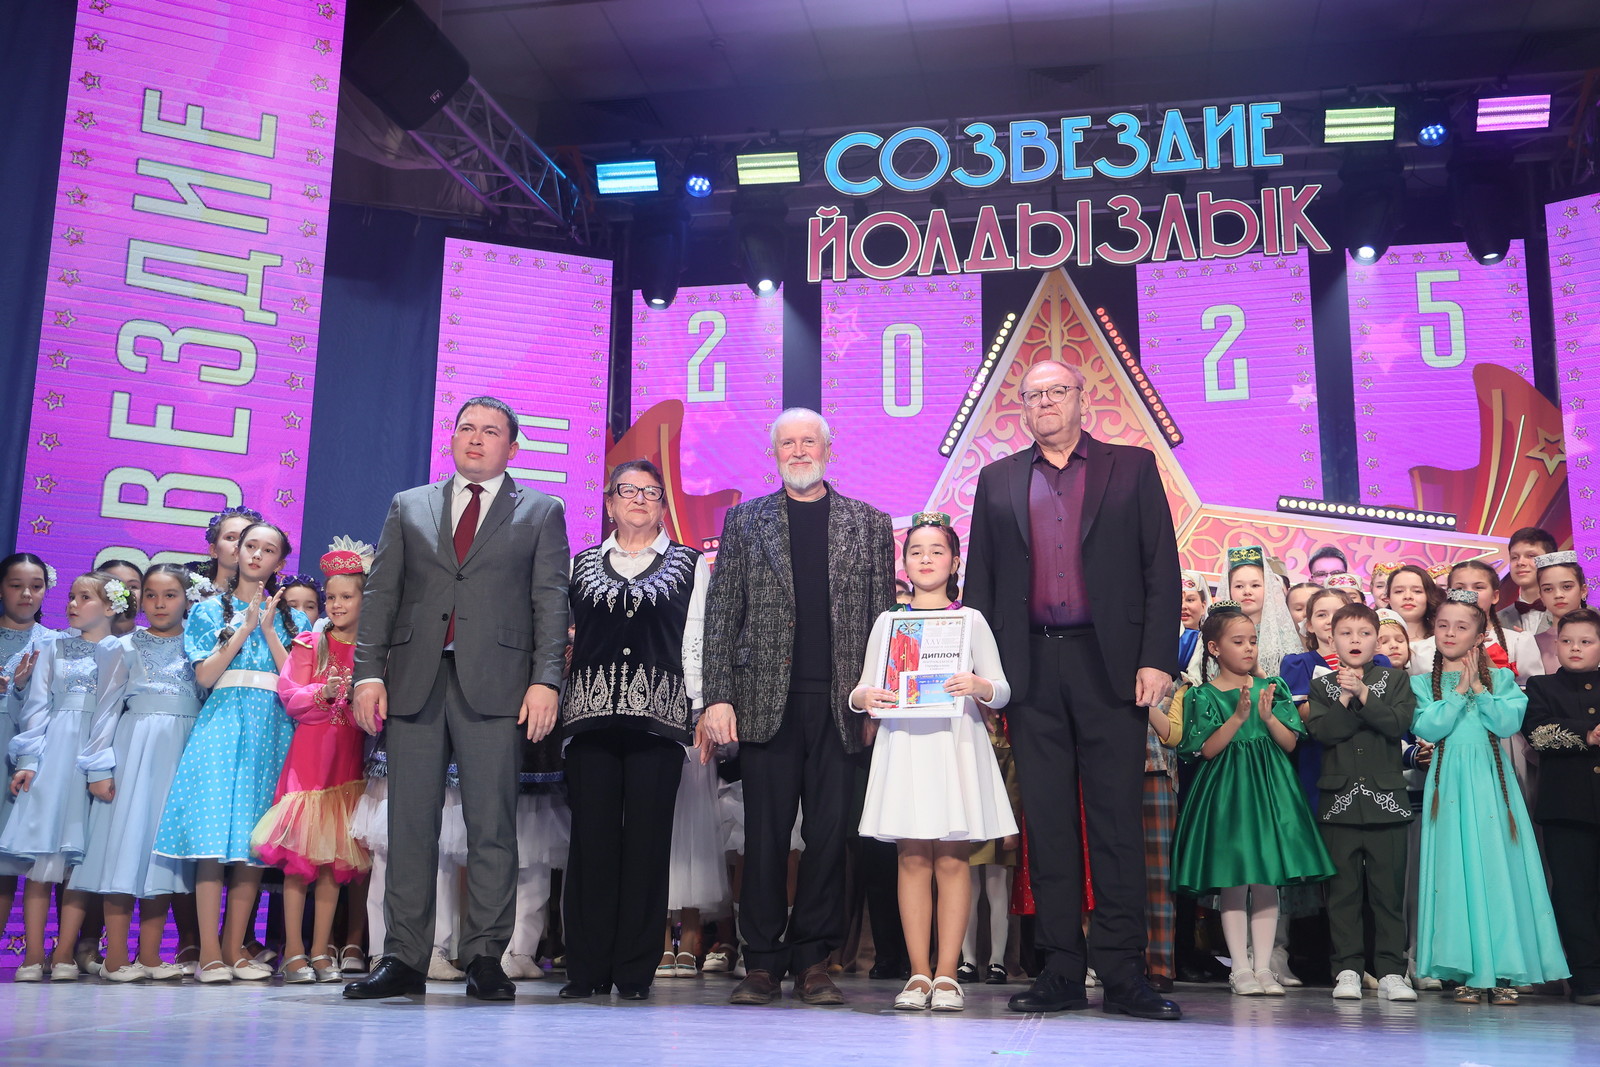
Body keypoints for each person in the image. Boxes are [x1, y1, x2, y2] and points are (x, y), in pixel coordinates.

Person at [962, 359, 1181, 1021]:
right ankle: (1058, 968)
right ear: (1022, 407)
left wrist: (1156, 658)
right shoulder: (999, 478)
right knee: (1048, 824)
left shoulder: (1131, 466)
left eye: (1058, 391)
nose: (1046, 403)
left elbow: (1161, 568)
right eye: (1034, 395)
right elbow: (981, 583)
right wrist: (987, 677)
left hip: (1111, 664)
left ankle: (1124, 973)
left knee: (1116, 822)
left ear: (1082, 398)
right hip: (1030, 667)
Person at [347, 396, 571, 1002]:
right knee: (409, 823)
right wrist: (367, 675)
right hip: (414, 679)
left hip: (498, 682)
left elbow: (550, 601)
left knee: (491, 825)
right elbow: (382, 594)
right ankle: (403, 956)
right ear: (451, 438)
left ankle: (484, 957)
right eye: (466, 427)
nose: (475, 438)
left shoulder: (541, 510)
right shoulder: (410, 504)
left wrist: (546, 681)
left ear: (512, 447)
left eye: (490, 431)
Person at [699, 407, 895, 1008]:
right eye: (788, 443)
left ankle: (813, 959)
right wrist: (718, 696)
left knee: (829, 839)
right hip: (764, 704)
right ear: (775, 453)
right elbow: (722, 613)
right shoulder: (745, 520)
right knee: (764, 837)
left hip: (844, 706)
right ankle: (761, 960)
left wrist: (878, 704)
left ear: (828, 451)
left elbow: (884, 621)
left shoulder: (869, 523)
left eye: (810, 441)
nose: (800, 451)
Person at [557, 459, 710, 1002]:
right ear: (609, 502)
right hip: (589, 721)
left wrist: (698, 709)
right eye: (628, 490)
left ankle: (634, 971)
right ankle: (586, 968)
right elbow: (563, 638)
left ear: (664, 505)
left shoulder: (690, 564)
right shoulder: (580, 565)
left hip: (659, 722)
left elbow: (695, 639)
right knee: (591, 843)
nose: (640, 499)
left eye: (651, 491)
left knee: (647, 844)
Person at [850, 514, 1016, 1013]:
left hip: (953, 743)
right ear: (904, 563)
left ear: (955, 562)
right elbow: (862, 688)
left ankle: (947, 974)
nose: (926, 559)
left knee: (951, 858)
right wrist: (865, 698)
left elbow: (1002, 688)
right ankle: (918, 973)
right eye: (916, 551)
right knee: (912, 857)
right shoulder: (888, 622)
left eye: (937, 551)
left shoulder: (971, 621)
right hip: (905, 743)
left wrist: (979, 685)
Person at [152, 522, 307, 982]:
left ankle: (235, 947)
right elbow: (205, 676)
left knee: (252, 842)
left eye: (268, 550)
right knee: (211, 836)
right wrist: (244, 628)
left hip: (272, 727)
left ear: (280, 562)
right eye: (249, 546)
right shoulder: (205, 611)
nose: (256, 555)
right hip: (222, 722)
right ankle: (208, 954)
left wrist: (270, 628)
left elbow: (295, 683)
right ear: (236, 552)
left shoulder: (294, 619)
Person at [1410, 589, 1568, 1004]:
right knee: (1454, 870)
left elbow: (1506, 723)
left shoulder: (1501, 679)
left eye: (1461, 627)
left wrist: (1479, 689)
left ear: (1480, 636)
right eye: (1443, 625)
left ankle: (1503, 969)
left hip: (1492, 785)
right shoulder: (1422, 683)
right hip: (1449, 785)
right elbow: (1427, 728)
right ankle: (1466, 970)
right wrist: (1459, 691)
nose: (1450, 633)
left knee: (1498, 868)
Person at [1170, 603, 1335, 997]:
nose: (1248, 648)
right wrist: (1238, 718)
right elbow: (1206, 750)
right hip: (1227, 792)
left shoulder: (1271, 688)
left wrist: (1268, 716)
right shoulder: (1203, 695)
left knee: (1266, 881)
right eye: (1238, 641)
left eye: (1252, 641)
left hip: (1269, 789)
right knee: (1234, 880)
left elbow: (1290, 743)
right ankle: (1240, 968)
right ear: (1214, 648)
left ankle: (1264, 967)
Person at [68, 564, 202, 981]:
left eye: (170, 595)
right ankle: (115, 958)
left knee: (160, 854)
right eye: (150, 595)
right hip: (135, 751)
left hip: (181, 753)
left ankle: (150, 956)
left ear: (187, 599)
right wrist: (98, 768)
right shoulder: (122, 646)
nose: (159, 604)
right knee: (124, 850)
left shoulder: (200, 644)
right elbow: (106, 710)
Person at [252, 539, 375, 983]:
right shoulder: (311, 642)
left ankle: (322, 951)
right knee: (301, 860)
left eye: (347, 597)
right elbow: (290, 695)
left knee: (334, 864)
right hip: (309, 765)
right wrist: (321, 692)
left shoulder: (371, 652)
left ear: (365, 599)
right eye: (331, 597)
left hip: (347, 764)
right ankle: (294, 951)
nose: (336, 605)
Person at [0, 571, 127, 981]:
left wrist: (100, 766)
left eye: (85, 597)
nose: (72, 604)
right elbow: (37, 707)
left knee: (78, 859)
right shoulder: (52, 646)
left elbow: (110, 712)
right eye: (71, 596)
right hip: (55, 754)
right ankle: (33, 954)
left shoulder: (122, 650)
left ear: (110, 606)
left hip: (94, 755)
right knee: (42, 858)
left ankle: (65, 952)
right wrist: (28, 761)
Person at [1302, 602, 1418, 1002]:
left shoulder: (1395, 680)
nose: (1355, 640)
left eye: (1364, 633)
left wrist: (1364, 694)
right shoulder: (1322, 686)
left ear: (1376, 640)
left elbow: (1396, 724)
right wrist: (1345, 698)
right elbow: (1325, 733)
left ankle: (1391, 972)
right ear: (1332, 639)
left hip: (1387, 801)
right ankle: (1347, 970)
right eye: (1346, 633)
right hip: (1338, 803)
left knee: (1388, 892)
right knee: (1342, 894)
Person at [1522, 607, 1600, 1005]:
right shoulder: (1541, 687)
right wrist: (1588, 734)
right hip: (1566, 809)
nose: (1575, 648)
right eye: (1567, 641)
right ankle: (1587, 980)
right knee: (1572, 895)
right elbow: (1536, 733)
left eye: (1586, 641)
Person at [0, 552, 58, 932]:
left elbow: (49, 707)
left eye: (35, 587)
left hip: (18, 751)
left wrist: (20, 689)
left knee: (4, 858)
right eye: (16, 585)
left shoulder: (52, 643)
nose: (26, 594)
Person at [1226, 546, 1300, 679]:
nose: (1247, 592)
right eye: (1239, 586)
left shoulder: (1282, 635)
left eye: (1255, 585)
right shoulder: (1219, 632)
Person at [1534, 552, 1589, 674]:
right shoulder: (1533, 644)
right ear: (1541, 596)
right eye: (1548, 589)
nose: (1558, 595)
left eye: (1567, 587)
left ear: (1583, 590)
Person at [1501, 528, 1558, 636]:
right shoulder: (1497, 620)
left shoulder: (1575, 613)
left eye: (1531, 556)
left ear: (1551, 561)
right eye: (1514, 557)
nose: (1520, 562)